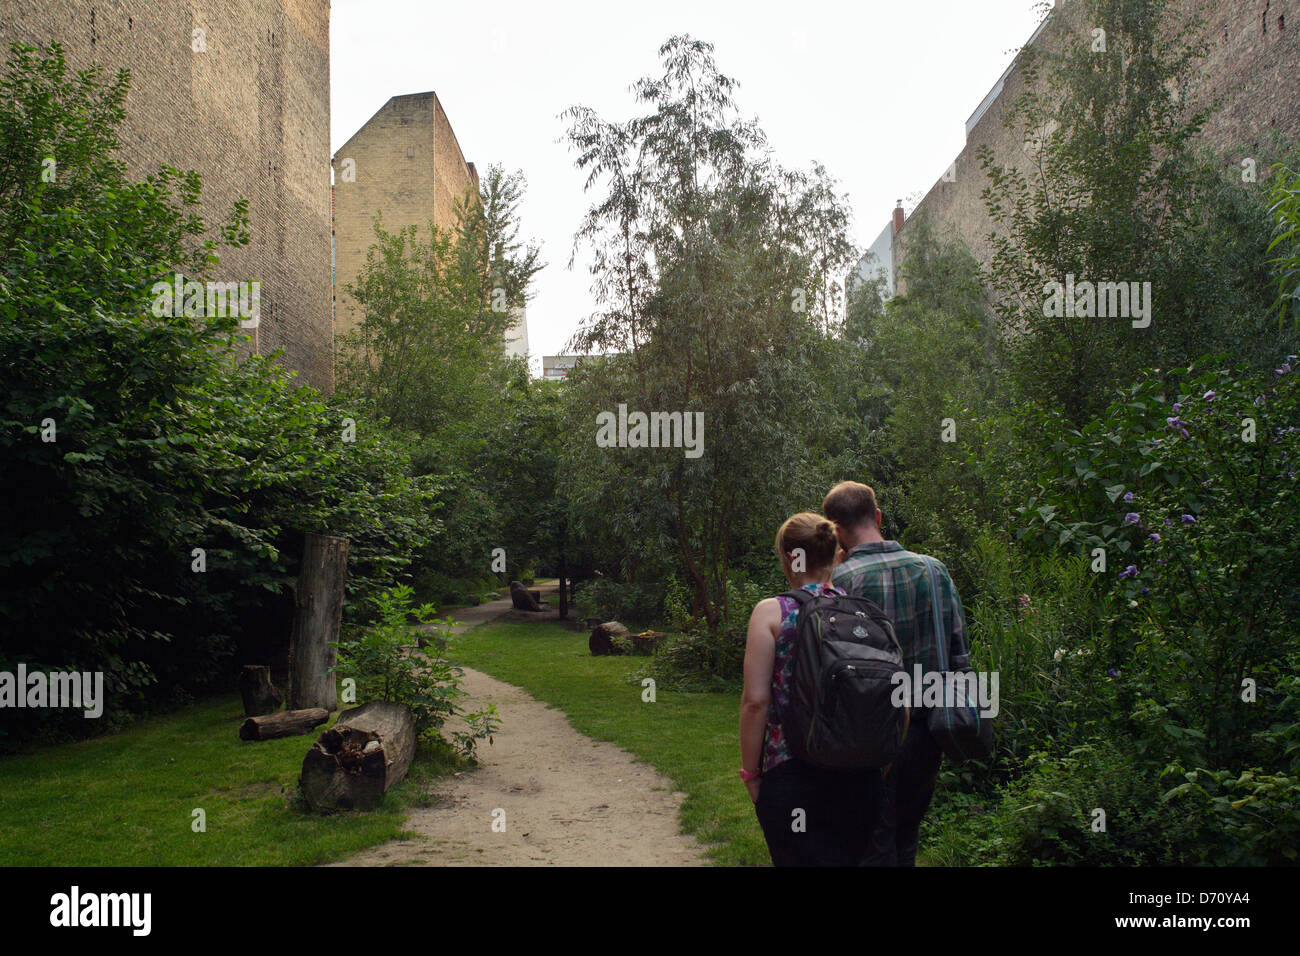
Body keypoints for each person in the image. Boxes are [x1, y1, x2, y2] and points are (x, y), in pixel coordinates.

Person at [823, 480, 970, 867]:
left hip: (866, 736)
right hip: (928, 727)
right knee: (907, 835)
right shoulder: (935, 571)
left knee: (869, 841)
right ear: (878, 516)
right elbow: (960, 654)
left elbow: (828, 667)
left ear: (835, 529)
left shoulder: (839, 583)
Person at [739, 511, 885, 866]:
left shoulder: (772, 613)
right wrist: (877, 767)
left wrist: (751, 775)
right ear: (837, 556)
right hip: (859, 776)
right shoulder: (866, 615)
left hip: (791, 774)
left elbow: (755, 702)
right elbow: (897, 699)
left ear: (789, 558)